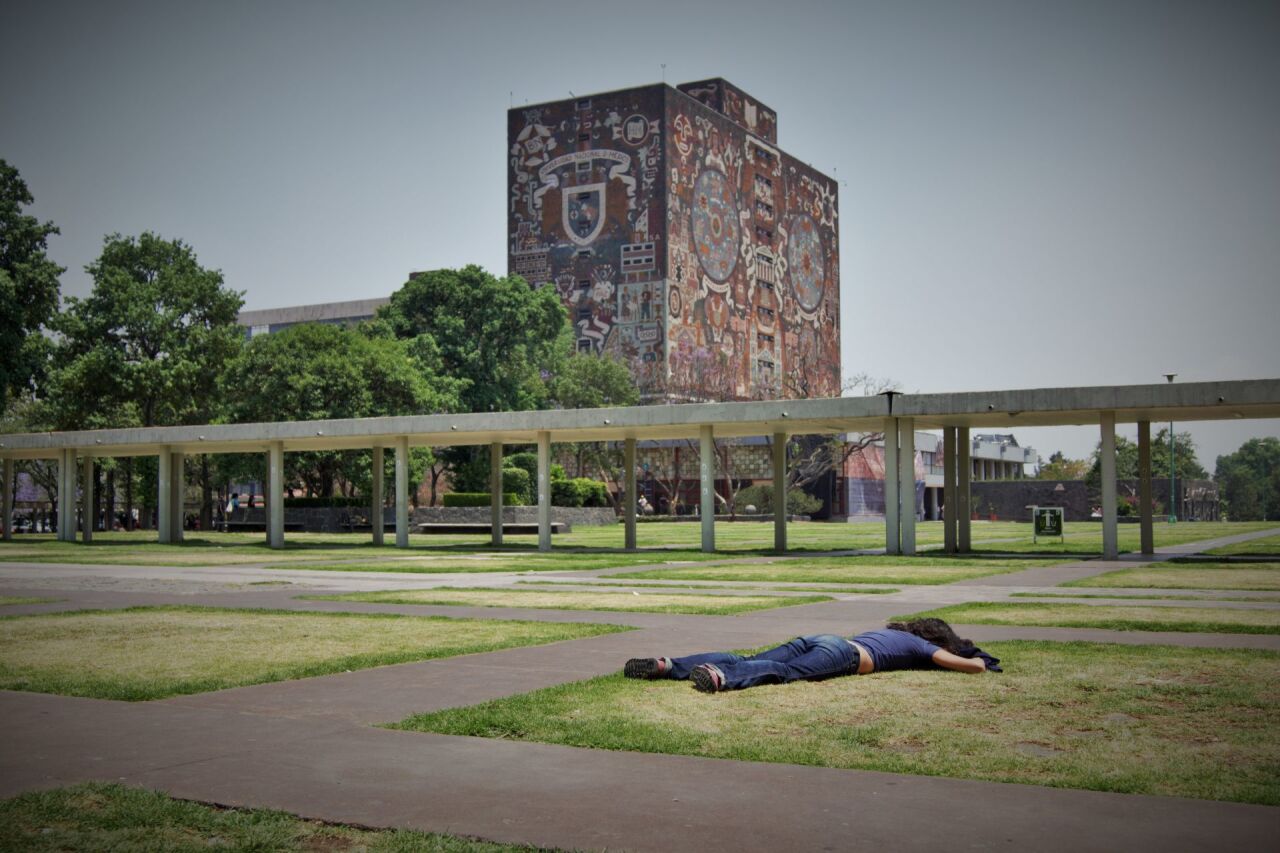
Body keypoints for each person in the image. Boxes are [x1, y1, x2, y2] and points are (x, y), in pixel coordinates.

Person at [624, 618, 999, 693]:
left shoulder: (891, 632)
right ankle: (721, 677)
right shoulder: (922, 646)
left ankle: (668, 664)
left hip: (822, 637)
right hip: (845, 654)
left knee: (747, 655)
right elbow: (968, 667)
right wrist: (978, 660)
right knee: (785, 672)